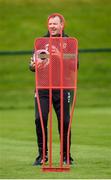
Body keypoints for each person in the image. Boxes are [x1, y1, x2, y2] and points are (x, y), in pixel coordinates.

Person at [29, 13, 77, 166]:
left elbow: (74, 65)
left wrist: (59, 56)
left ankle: (66, 155)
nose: (52, 27)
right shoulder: (41, 42)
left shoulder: (69, 42)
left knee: (64, 121)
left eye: (55, 24)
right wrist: (33, 66)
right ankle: (42, 155)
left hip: (62, 88)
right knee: (40, 119)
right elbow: (33, 65)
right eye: (50, 24)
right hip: (43, 88)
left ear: (62, 25)